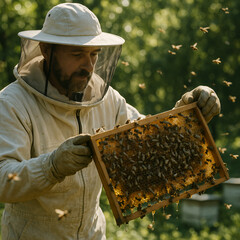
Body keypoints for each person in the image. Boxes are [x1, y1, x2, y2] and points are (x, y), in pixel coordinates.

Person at [0, 3, 220, 240]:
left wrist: (185, 116)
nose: (88, 67)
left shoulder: (108, 99)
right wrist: (51, 166)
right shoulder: (13, 103)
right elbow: (3, 179)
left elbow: (148, 142)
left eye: (94, 55)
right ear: (46, 50)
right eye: (77, 55)